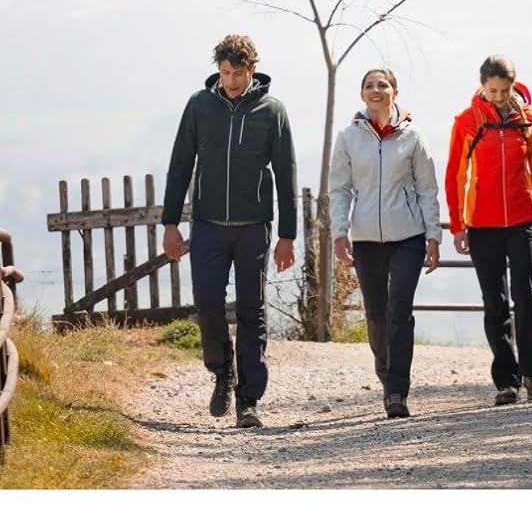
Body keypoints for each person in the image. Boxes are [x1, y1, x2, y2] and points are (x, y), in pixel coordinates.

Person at [161, 34, 297, 428]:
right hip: (207, 226)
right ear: (217, 70)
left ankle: (248, 400)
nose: (232, 82)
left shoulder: (272, 111)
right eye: (225, 73)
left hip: (253, 227)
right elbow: (180, 165)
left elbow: (286, 174)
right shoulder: (199, 106)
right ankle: (223, 372)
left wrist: (287, 235)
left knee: (252, 310)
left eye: (238, 74)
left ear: (252, 70)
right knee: (207, 303)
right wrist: (170, 224)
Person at [445, 55, 532, 406]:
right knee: (495, 303)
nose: (498, 97)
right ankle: (506, 382)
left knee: (528, 296)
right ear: (482, 85)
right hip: (483, 225)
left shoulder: (528, 119)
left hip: (525, 220)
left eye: (504, 90)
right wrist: (458, 225)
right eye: (492, 90)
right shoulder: (467, 121)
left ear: (513, 85)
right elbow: (455, 176)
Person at [329, 68, 442, 419]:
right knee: (376, 316)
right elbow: (340, 189)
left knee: (399, 311)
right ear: (362, 94)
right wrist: (339, 232)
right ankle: (385, 373)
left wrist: (433, 235)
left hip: (408, 237)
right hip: (366, 240)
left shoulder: (413, 135)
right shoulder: (348, 137)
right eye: (369, 85)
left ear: (395, 91)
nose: (375, 90)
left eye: (382, 85)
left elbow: (427, 189)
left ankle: (397, 391)